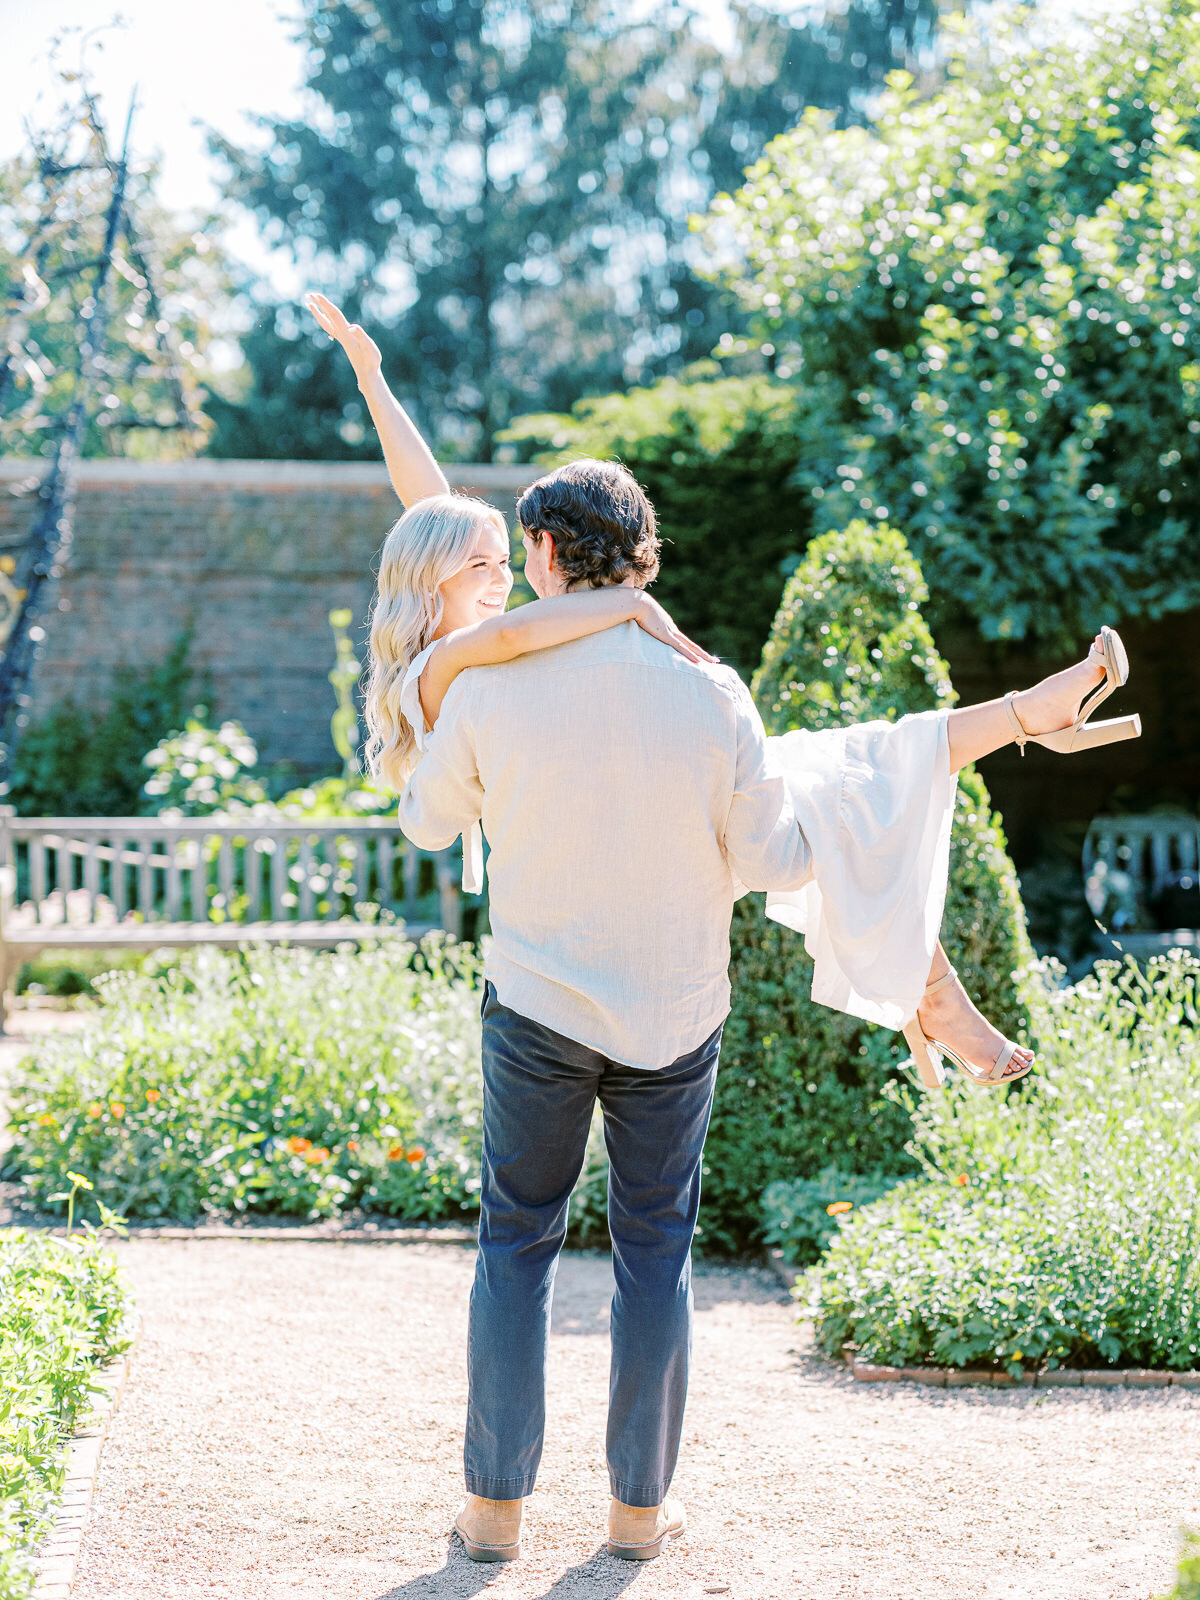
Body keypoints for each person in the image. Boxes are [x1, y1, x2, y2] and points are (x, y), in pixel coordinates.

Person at [307, 293, 1141, 1560]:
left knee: (515, 1248)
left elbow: (430, 824)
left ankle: (491, 1517)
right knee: (654, 1255)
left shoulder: (483, 688)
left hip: (536, 1006)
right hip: (672, 1016)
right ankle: (637, 1519)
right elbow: (771, 856)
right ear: (640, 562)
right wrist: (838, 832)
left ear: (538, 557)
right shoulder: (713, 696)